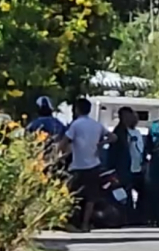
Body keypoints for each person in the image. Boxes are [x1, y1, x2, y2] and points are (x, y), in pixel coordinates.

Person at [59, 98, 116, 232]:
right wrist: (100, 144)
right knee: (91, 197)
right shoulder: (96, 125)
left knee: (72, 195)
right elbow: (113, 137)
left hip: (78, 166)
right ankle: (85, 224)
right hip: (94, 164)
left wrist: (60, 154)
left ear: (77, 110)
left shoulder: (76, 125)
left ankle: (71, 222)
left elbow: (64, 142)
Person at [108, 107, 146, 224]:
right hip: (124, 168)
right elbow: (114, 152)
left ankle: (139, 216)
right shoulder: (119, 132)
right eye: (125, 116)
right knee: (125, 193)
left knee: (143, 193)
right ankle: (127, 218)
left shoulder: (137, 132)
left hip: (138, 167)